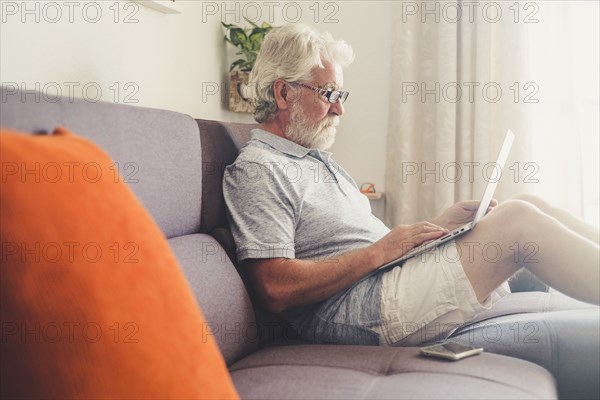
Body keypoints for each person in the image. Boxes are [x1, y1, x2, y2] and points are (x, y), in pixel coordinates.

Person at [222, 24, 600, 347]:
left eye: (340, 95)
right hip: (361, 311)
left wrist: (442, 225)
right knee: (518, 222)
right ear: (284, 93)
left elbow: (365, 248)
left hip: (384, 287)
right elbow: (274, 287)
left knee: (528, 202)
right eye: (329, 94)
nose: (340, 109)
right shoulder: (259, 168)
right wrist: (382, 251)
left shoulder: (313, 160)